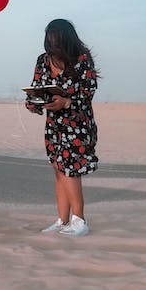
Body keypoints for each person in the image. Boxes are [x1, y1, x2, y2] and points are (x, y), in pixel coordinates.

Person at [26, 18, 99, 236]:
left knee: (71, 169)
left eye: (57, 41)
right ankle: (62, 220)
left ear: (66, 39)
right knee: (58, 170)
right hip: (54, 124)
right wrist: (34, 104)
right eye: (50, 40)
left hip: (77, 122)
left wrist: (67, 102)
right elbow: (38, 87)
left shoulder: (82, 59)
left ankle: (80, 221)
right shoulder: (42, 60)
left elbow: (89, 91)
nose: (53, 45)